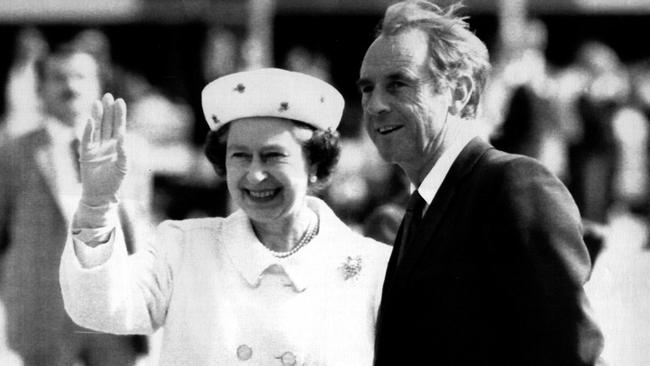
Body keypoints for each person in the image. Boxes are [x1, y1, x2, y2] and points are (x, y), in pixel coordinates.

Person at [59, 68, 391, 365]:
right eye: (240, 157)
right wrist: (97, 203)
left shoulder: (371, 266)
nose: (255, 175)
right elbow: (99, 307)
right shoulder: (183, 248)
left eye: (274, 156)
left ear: (315, 167)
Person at [356, 1, 604, 365]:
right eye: (367, 89)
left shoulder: (514, 186)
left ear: (462, 92)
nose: (375, 104)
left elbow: (572, 354)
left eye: (399, 84)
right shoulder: (419, 208)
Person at [0, 31, 152, 366]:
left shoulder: (132, 152)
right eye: (58, 78)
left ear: (99, 84)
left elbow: (139, 231)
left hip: (111, 312)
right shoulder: (12, 155)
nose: (71, 87)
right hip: (43, 314)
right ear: (40, 89)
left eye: (80, 77)